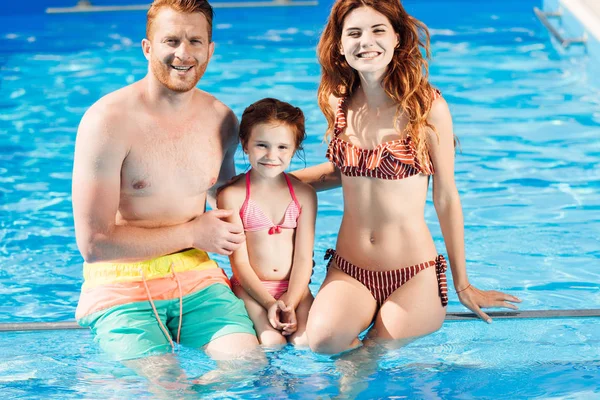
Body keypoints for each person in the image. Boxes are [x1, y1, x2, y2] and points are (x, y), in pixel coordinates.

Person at [290, 0, 522, 355]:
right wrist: (268, 183)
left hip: (412, 273)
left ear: (397, 38)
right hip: (350, 269)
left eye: (377, 30)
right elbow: (347, 171)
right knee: (322, 343)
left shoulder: (426, 107)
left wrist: (464, 284)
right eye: (354, 33)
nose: (366, 41)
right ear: (339, 45)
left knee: (371, 352)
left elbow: (445, 197)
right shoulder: (338, 101)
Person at [72, 0, 261, 388]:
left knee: (248, 368)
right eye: (171, 40)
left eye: (195, 41)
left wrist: (331, 176)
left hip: (196, 279)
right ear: (147, 47)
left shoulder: (221, 119)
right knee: (168, 387)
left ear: (210, 50)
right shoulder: (107, 122)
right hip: (119, 285)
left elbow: (231, 193)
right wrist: (193, 235)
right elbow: (93, 243)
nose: (183, 53)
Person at [217, 98, 317, 347]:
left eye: (283, 147)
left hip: (296, 288)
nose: (272, 155)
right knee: (273, 342)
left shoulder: (304, 195)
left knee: (307, 342)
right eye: (262, 145)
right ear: (245, 144)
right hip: (250, 288)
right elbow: (239, 263)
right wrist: (271, 303)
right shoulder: (233, 196)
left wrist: (290, 302)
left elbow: (304, 258)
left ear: (295, 149)